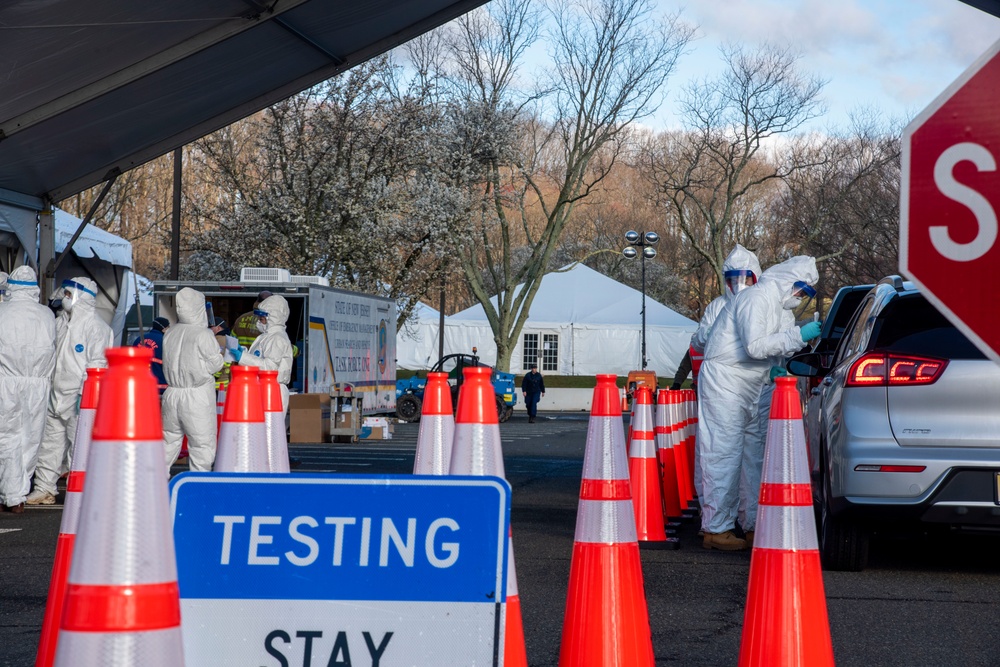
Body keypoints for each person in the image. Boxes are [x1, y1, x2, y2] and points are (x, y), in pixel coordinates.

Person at [696, 255, 820, 551]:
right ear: (788, 280)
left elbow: (773, 347)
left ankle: (752, 525)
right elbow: (754, 346)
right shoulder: (756, 297)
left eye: (806, 294)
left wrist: (779, 365)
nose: (800, 297)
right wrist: (798, 336)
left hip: (753, 383)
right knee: (723, 452)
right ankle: (716, 529)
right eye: (801, 289)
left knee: (754, 456)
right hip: (726, 380)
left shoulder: (779, 308)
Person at [27, 278, 113, 505]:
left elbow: (99, 363)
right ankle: (44, 488)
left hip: (79, 397)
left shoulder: (97, 327)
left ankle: (82, 490)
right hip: (55, 395)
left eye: (68, 293)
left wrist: (86, 395)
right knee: (50, 445)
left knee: (81, 444)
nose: (64, 297)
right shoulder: (60, 323)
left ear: (81, 296)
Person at [0, 267, 56, 512]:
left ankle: (10, 494)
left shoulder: (3, 312)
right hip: (38, 384)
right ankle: (17, 492)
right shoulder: (46, 315)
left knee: (6, 436)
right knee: (30, 438)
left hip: (6, 381)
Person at [161, 288, 225, 472]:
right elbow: (215, 365)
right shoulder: (203, 334)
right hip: (196, 394)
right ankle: (199, 486)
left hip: (172, 393)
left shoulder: (170, 333)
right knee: (201, 445)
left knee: (168, 441)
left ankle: (155, 483)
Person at [230, 294, 294, 414]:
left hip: (272, 390)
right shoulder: (266, 337)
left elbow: (270, 367)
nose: (259, 321)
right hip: (264, 388)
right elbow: (259, 359)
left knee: (270, 430)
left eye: (262, 318)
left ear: (273, 317)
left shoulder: (277, 338)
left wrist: (243, 357)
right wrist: (244, 353)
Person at [132, 316, 170, 394]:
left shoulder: (138, 340)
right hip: (160, 386)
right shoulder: (165, 341)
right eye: (168, 327)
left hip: (140, 385)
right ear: (164, 328)